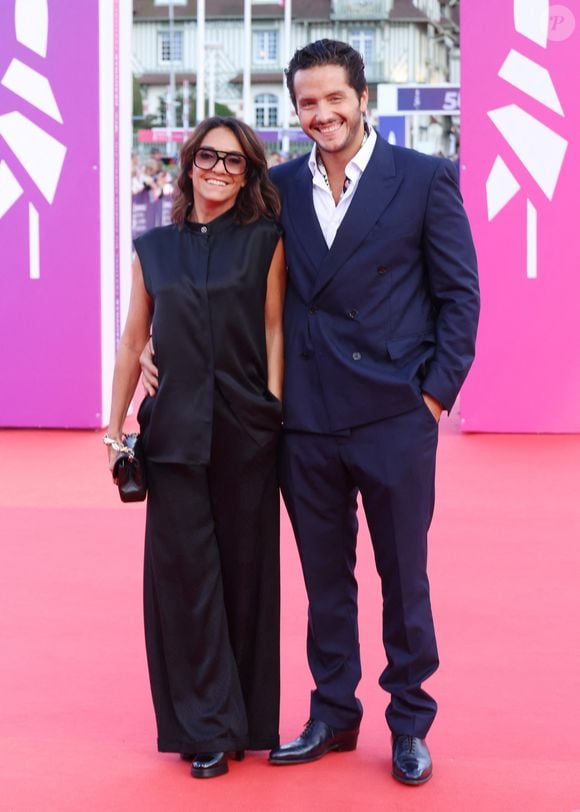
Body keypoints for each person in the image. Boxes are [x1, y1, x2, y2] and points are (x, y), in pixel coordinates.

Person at [142, 40, 480, 786]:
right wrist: (158, 349)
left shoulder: (425, 180)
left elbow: (460, 297)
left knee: (404, 576)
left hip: (395, 416)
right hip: (305, 422)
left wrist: (431, 396)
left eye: (334, 99)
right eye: (306, 104)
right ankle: (332, 712)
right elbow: (219, 274)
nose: (321, 114)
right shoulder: (280, 187)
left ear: (364, 99)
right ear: (294, 111)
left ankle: (408, 721)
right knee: (325, 579)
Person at [105, 116, 286, 779]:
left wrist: (272, 411)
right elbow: (132, 343)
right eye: (207, 157)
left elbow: (272, 329)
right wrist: (114, 427)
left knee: (245, 577)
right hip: (175, 435)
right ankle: (204, 725)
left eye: (234, 161)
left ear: (249, 175)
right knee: (186, 583)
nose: (218, 169)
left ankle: (242, 720)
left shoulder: (266, 241)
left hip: (248, 435)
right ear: (187, 165)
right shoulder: (153, 248)